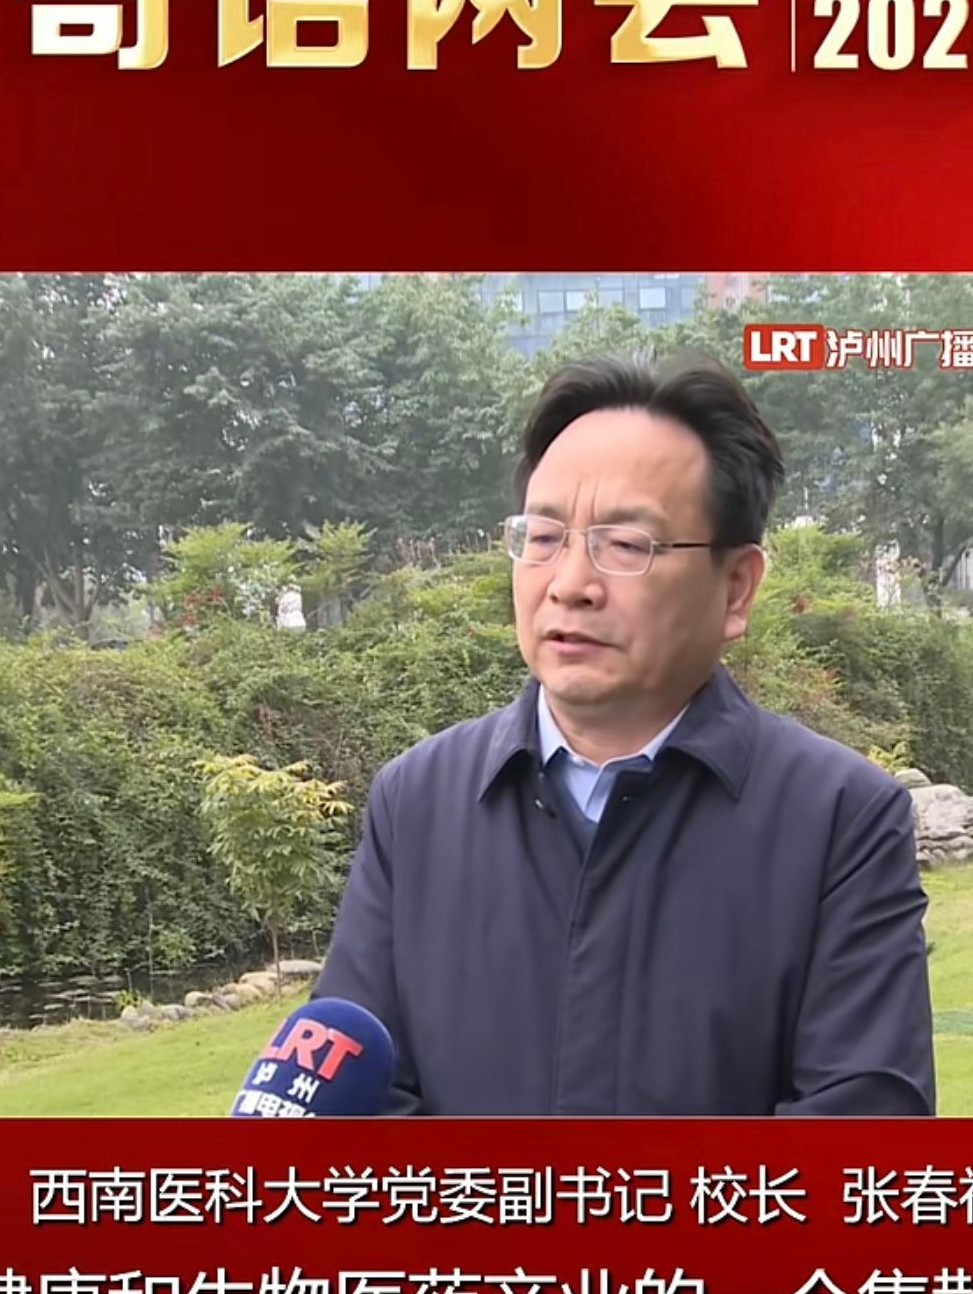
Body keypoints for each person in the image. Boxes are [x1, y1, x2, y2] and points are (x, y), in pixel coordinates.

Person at [316, 351, 935, 1116]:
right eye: (543, 536)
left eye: (627, 545)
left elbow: (862, 1127)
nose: (570, 583)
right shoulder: (418, 804)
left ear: (735, 588)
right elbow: (352, 1101)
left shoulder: (840, 818)